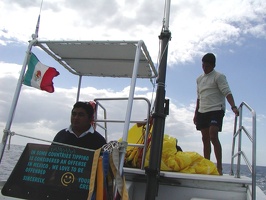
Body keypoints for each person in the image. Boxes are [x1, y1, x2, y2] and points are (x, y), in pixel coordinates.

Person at [193, 53, 239, 175]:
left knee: (213, 135)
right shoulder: (199, 79)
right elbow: (199, 97)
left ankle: (219, 167)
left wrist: (233, 106)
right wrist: (196, 113)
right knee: (205, 138)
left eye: (207, 66)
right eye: (203, 65)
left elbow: (227, 92)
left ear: (213, 65)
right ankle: (207, 165)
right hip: (202, 110)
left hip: (216, 109)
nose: (204, 67)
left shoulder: (219, 76)